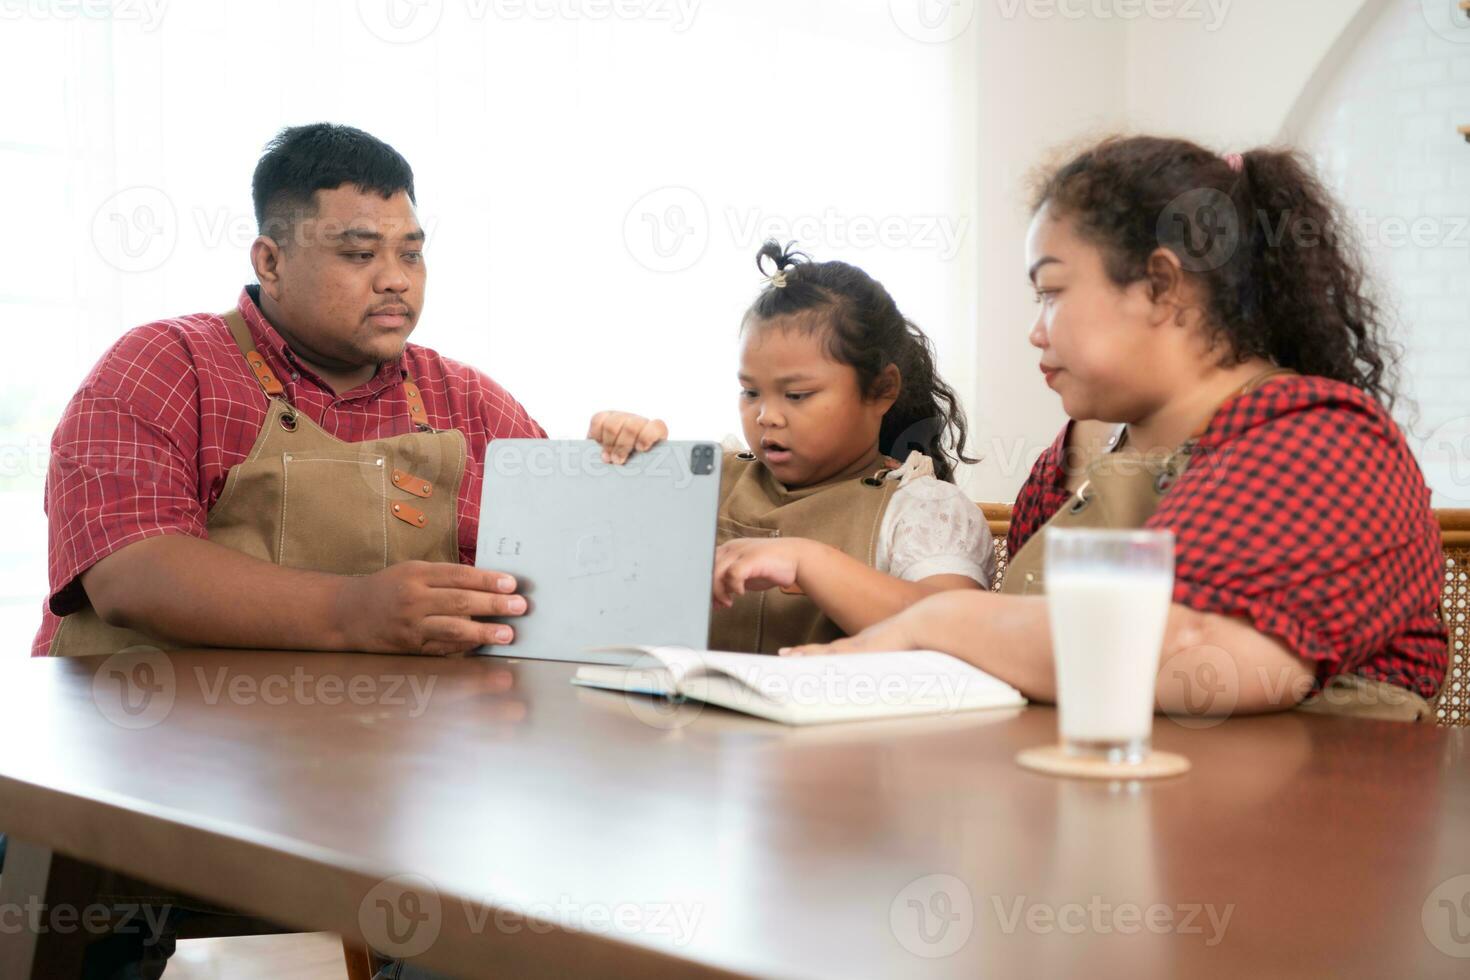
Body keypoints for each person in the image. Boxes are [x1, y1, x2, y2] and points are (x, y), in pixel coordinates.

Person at [29, 122, 543, 977]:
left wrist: (622, 469)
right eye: (357, 252)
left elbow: (555, 570)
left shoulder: (467, 399)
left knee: (507, 916)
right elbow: (130, 569)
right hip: (150, 790)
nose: (395, 280)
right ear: (270, 261)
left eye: (412, 254)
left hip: (385, 791)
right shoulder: (166, 365)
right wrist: (355, 610)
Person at [785, 136, 1447, 722]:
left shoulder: (1320, 443)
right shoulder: (1073, 458)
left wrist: (937, 619)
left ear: (1161, 285)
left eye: (1052, 291)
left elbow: (1188, 661)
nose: (1035, 330)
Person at [591, 241, 994, 653]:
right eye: (750, 392)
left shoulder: (921, 510)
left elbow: (963, 630)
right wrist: (620, 466)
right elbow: (599, 569)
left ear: (881, 389)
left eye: (797, 395)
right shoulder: (704, 481)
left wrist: (808, 561)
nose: (767, 416)